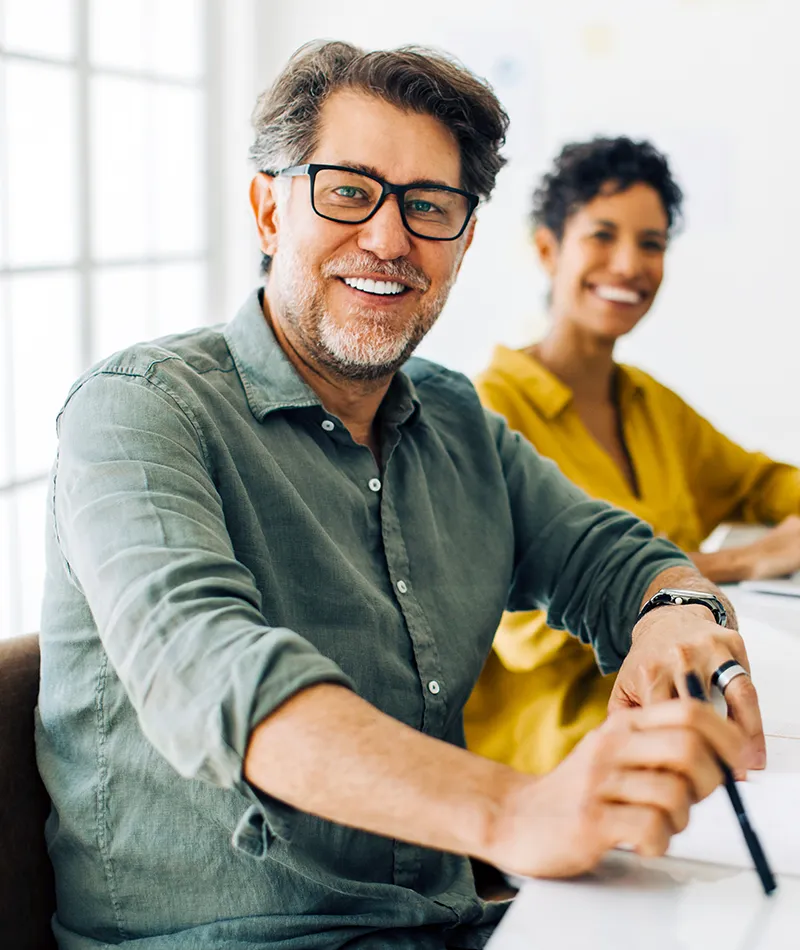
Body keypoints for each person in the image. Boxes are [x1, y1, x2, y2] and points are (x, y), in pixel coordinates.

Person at [38, 46, 760, 950]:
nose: (388, 239)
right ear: (269, 210)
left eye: (428, 206)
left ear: (463, 240)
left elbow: (611, 557)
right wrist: (515, 810)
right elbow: (215, 675)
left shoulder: (456, 419)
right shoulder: (138, 410)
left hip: (448, 927)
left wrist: (677, 613)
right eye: (348, 191)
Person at [464, 136, 800, 777]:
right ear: (547, 248)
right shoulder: (487, 409)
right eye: (602, 235)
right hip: (562, 757)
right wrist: (742, 561)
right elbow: (526, 627)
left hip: (679, 716)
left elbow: (762, 482)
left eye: (651, 243)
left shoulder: (649, 403)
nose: (628, 264)